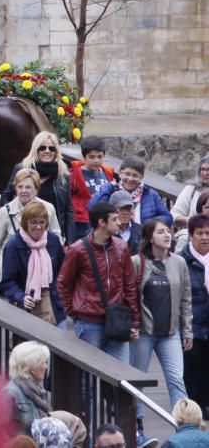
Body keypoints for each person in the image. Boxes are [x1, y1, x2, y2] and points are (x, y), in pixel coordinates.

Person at [130, 217, 193, 443]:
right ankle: (136, 427)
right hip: (144, 332)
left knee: (177, 379)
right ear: (149, 238)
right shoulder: (137, 262)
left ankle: (185, 428)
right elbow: (129, 296)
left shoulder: (178, 262)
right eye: (161, 232)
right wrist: (133, 324)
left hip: (170, 332)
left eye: (169, 231)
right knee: (137, 381)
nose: (167, 235)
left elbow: (186, 299)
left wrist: (187, 330)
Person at [57, 201, 141, 363]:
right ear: (102, 222)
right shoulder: (78, 249)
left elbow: (129, 284)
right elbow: (63, 283)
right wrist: (74, 312)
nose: (119, 222)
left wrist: (134, 320)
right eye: (114, 219)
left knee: (120, 375)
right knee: (86, 376)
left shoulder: (121, 247)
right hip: (89, 320)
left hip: (116, 318)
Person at [0, 168, 62, 292]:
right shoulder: (6, 211)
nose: (23, 191)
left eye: (28, 187)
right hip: (11, 273)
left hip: (41, 272)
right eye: (20, 187)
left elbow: (57, 238)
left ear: (36, 189)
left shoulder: (48, 209)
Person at [0, 200, 66, 324]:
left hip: (53, 305)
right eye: (34, 222)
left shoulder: (53, 241)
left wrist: (60, 295)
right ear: (25, 223)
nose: (38, 227)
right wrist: (21, 297)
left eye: (42, 222)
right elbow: (7, 282)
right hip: (26, 307)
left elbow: (63, 272)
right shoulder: (14, 245)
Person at [5, 131, 74, 242]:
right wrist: (11, 222)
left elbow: (68, 210)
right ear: (36, 149)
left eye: (51, 148)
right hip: (23, 232)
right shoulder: (22, 169)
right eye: (42, 148)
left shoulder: (63, 174)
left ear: (56, 152)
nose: (47, 151)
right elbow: (6, 197)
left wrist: (70, 242)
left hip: (52, 233)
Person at [180, 214, 209, 420]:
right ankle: (193, 413)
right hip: (192, 325)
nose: (205, 237)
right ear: (191, 235)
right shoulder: (182, 260)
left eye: (208, 233)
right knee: (192, 371)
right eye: (200, 233)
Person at [91, 156, 173, 228]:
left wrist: (149, 226)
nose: (130, 179)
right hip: (115, 237)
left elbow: (167, 217)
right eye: (127, 174)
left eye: (135, 175)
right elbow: (92, 208)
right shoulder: (111, 191)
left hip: (143, 238)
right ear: (120, 173)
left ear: (141, 177)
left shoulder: (150, 194)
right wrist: (108, 187)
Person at [69, 136, 115, 243]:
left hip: (103, 220)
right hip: (81, 222)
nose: (96, 161)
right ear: (84, 157)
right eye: (92, 157)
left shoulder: (107, 173)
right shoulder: (74, 175)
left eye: (100, 157)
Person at [3, 341, 54, 435]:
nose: (46, 367)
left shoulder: (39, 391)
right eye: (43, 363)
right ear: (32, 366)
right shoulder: (11, 393)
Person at [173, 154, 209, 232]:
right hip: (193, 237)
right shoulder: (191, 190)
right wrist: (190, 220)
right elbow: (174, 215)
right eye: (202, 169)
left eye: (208, 169)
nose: (205, 173)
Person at [109, 189, 143, 255]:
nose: (125, 213)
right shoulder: (105, 232)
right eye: (121, 209)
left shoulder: (142, 230)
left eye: (128, 209)